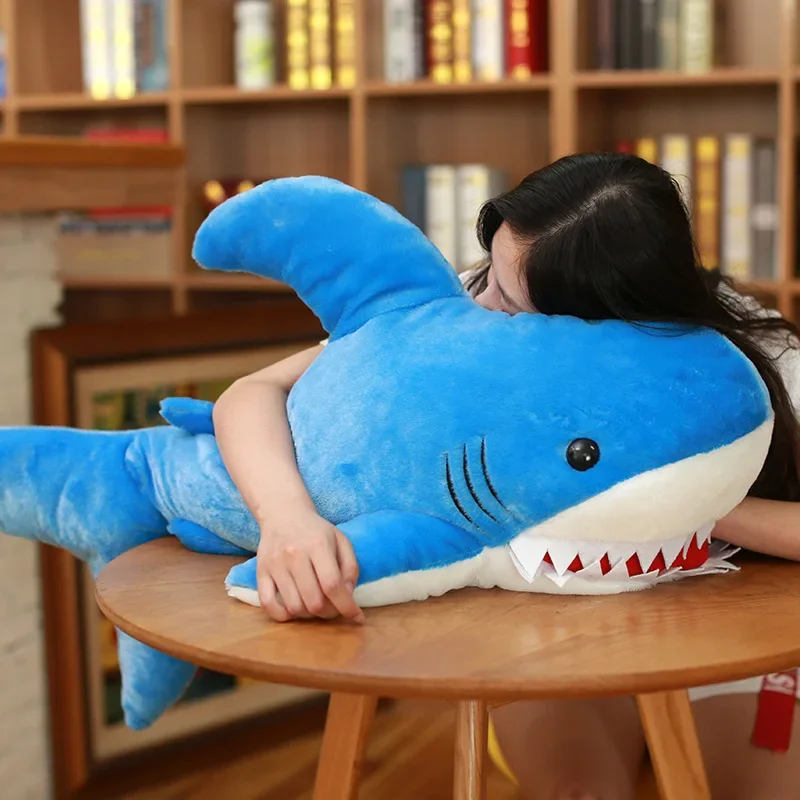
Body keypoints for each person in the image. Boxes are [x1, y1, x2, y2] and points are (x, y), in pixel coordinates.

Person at [211, 152, 800, 799]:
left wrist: (672, 493)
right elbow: (252, 393)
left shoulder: (749, 363)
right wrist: (286, 518)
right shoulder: (460, 310)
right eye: (489, 270)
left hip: (723, 635)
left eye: (510, 301)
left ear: (595, 325)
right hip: (542, 625)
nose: (480, 305)